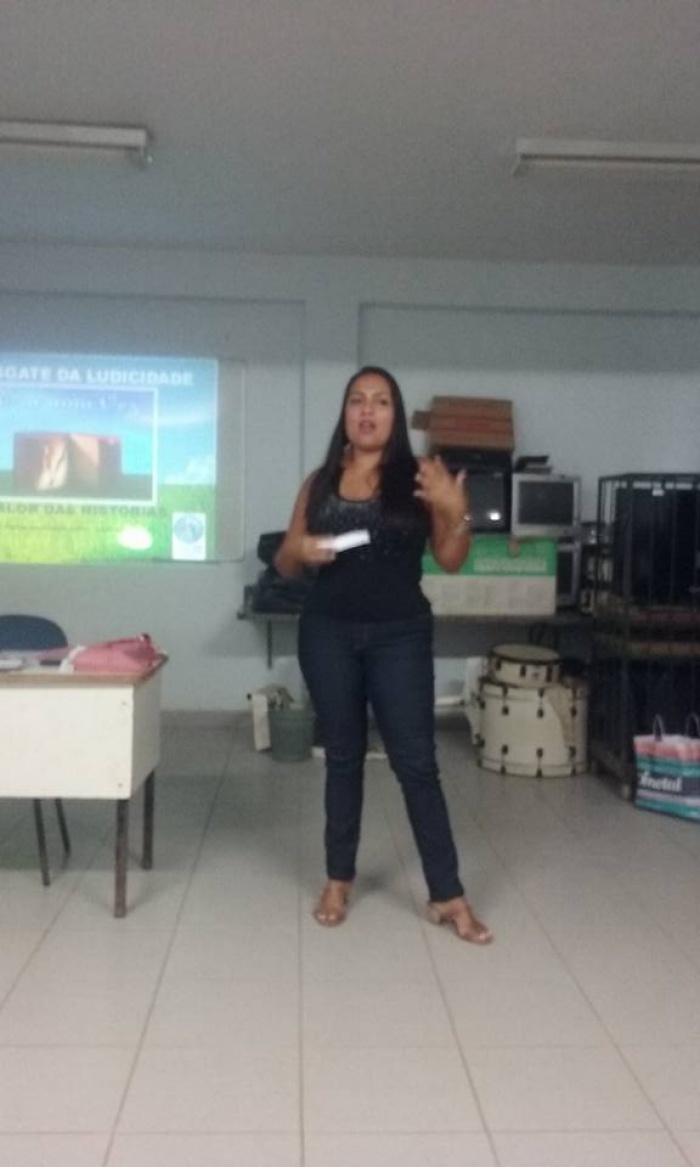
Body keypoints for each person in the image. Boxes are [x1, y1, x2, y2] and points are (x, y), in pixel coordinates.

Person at [275, 367, 492, 945]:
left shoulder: (419, 478)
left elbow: (451, 559)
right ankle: (338, 879)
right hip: (327, 634)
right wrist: (298, 550)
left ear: (395, 416)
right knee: (343, 757)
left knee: (416, 764)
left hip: (401, 637)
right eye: (357, 401)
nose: (367, 411)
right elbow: (286, 563)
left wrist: (456, 508)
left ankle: (447, 894)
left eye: (380, 402)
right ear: (345, 413)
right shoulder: (320, 483)